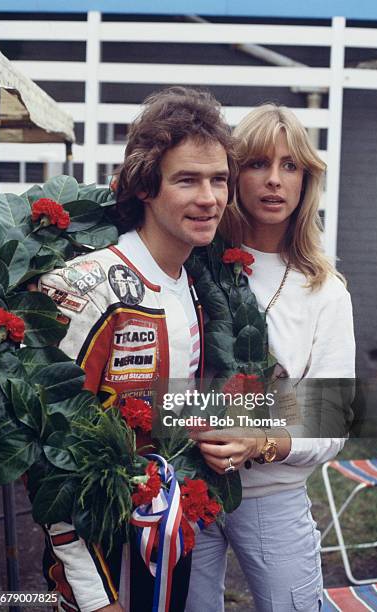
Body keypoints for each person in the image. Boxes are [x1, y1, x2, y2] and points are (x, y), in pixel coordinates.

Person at [36, 86, 237, 612]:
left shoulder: (189, 285)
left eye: (219, 179)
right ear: (145, 186)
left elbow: (174, 410)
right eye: (187, 179)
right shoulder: (90, 286)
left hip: (166, 540)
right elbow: (48, 451)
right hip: (101, 565)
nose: (209, 197)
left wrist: (268, 429)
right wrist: (93, 594)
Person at [185, 103, 355, 611]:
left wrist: (260, 440)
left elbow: (331, 418)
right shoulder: (192, 261)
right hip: (180, 488)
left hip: (271, 498)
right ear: (234, 176)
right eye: (258, 164)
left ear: (307, 180)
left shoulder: (325, 292)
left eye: (290, 166)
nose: (274, 181)